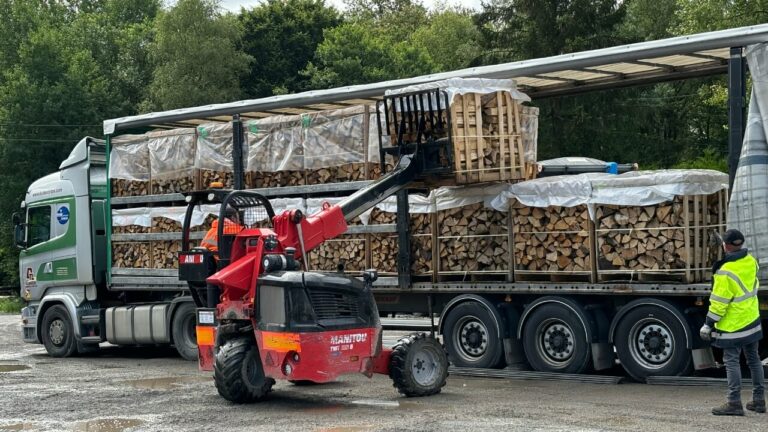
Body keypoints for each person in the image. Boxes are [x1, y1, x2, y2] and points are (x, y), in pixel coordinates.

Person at [700, 229, 765, 416]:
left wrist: (708, 324)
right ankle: (759, 401)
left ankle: (734, 403)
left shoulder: (725, 272)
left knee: (732, 362)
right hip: (752, 320)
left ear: (725, 246)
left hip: (733, 326)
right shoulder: (751, 261)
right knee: (754, 360)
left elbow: (719, 303)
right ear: (741, 244)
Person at [199, 209, 243, 307]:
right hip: (224, 268)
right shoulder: (234, 229)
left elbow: (204, 247)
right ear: (232, 218)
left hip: (209, 268)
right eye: (238, 218)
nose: (239, 222)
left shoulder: (211, 231)